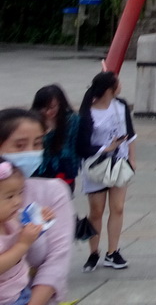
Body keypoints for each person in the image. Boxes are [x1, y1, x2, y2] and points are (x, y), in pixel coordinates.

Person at [0, 108, 74, 305]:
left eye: (37, 143)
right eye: (20, 145)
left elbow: (57, 259)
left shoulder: (53, 191)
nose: (31, 152)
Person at [76, 71, 135, 273]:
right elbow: (82, 146)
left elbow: (131, 135)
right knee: (96, 211)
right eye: (118, 83)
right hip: (96, 166)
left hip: (119, 163)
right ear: (110, 88)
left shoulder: (121, 106)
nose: (121, 85)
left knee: (117, 208)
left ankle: (113, 252)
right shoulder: (87, 113)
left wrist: (132, 160)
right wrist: (105, 149)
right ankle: (93, 253)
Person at [0, 158, 54, 305]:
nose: (17, 201)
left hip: (20, 290)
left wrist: (39, 222)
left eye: (20, 193)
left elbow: (27, 234)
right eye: (10, 196)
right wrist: (23, 244)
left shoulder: (9, 219)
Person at [29, 87, 79, 192]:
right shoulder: (32, 122)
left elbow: (74, 146)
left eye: (52, 107)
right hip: (39, 171)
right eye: (44, 108)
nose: (48, 112)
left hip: (64, 170)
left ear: (60, 104)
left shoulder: (71, 120)